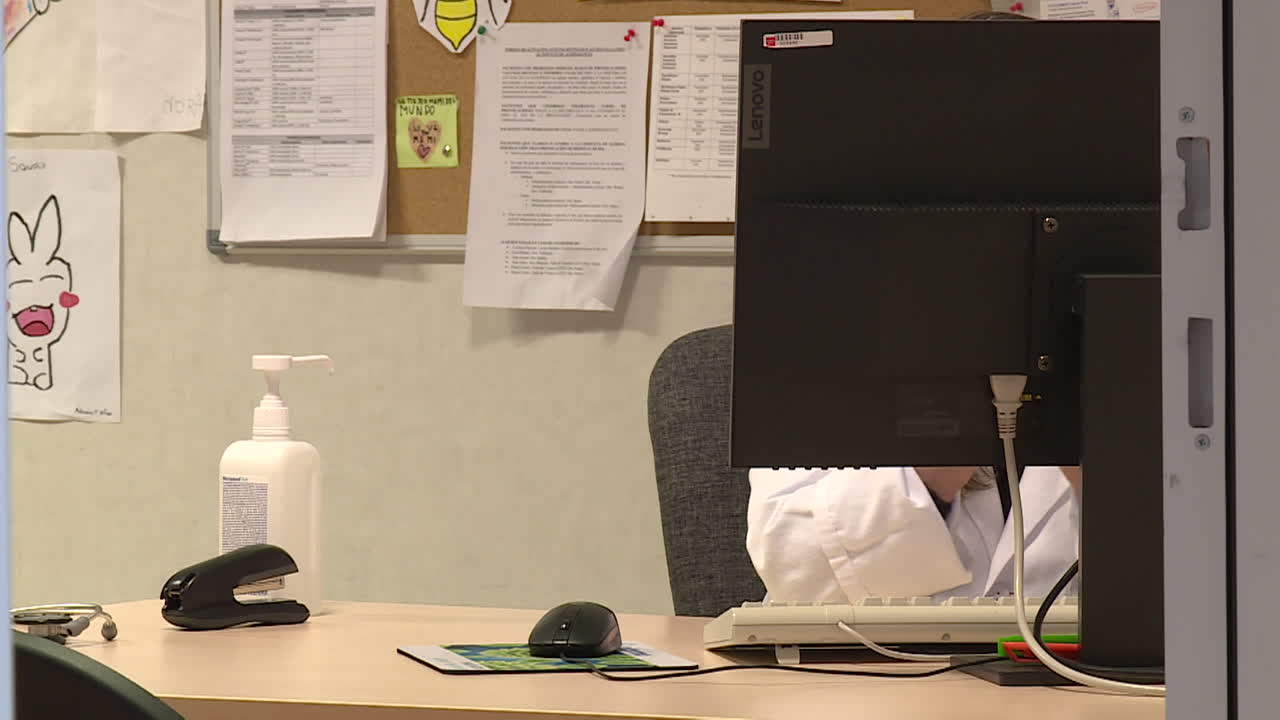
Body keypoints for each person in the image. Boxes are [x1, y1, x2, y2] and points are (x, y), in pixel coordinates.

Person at [746, 465, 1080, 603]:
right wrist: (932, 474)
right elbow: (791, 563)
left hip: (1085, 691)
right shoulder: (827, 342)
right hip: (871, 684)